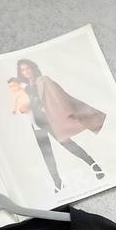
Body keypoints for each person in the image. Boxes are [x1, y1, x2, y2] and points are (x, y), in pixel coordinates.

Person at [15, 59, 107, 194]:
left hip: (49, 121)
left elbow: (58, 95)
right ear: (21, 73)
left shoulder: (43, 80)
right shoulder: (25, 88)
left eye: (28, 68)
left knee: (68, 144)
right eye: (23, 70)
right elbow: (24, 106)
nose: (26, 72)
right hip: (36, 123)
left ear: (33, 68)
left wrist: (64, 111)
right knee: (47, 154)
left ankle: (95, 166)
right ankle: (58, 183)